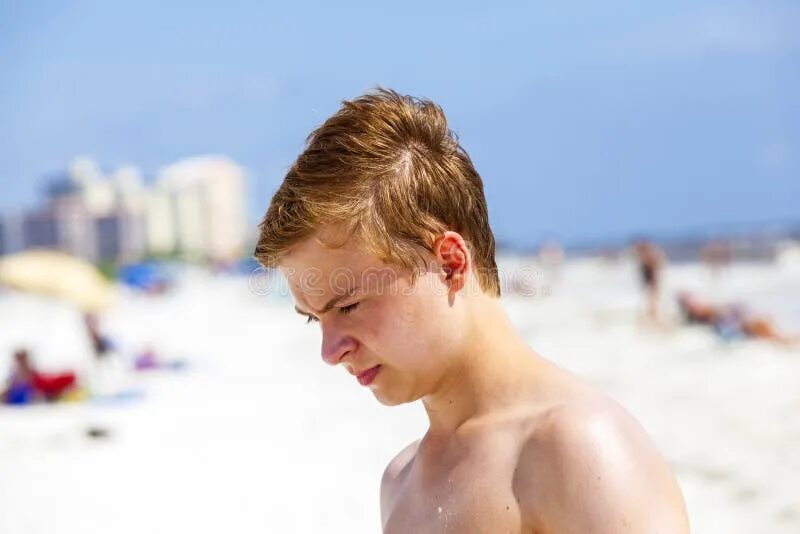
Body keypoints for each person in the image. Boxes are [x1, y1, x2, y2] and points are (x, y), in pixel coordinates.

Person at [255, 89, 689, 532]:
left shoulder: (577, 450)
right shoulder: (400, 483)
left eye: (348, 306)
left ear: (449, 264)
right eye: (315, 318)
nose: (330, 352)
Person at [677, 292, 799, 346]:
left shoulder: (714, 307)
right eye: (691, 303)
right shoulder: (710, 318)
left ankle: (787, 341)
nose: (697, 302)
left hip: (749, 320)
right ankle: (786, 342)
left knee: (776, 331)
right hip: (745, 326)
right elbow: (724, 331)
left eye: (695, 299)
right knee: (772, 331)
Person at [633, 240, 665, 323]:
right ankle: (652, 318)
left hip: (651, 281)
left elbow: (655, 268)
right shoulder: (647, 258)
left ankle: (652, 317)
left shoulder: (647, 257)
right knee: (651, 301)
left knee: (652, 301)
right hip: (650, 282)